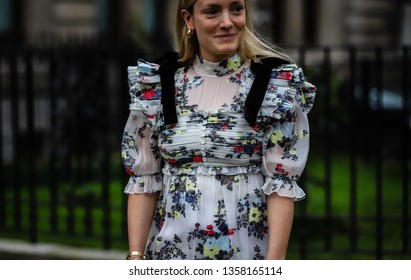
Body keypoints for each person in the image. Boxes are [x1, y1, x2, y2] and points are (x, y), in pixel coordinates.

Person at [121, 0, 316, 260]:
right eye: (212, 11)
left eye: (236, 9)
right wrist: (135, 257)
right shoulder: (159, 86)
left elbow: (281, 183)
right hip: (171, 253)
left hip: (245, 253)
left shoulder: (273, 87)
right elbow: (143, 179)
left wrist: (274, 265)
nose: (227, 22)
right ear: (188, 19)